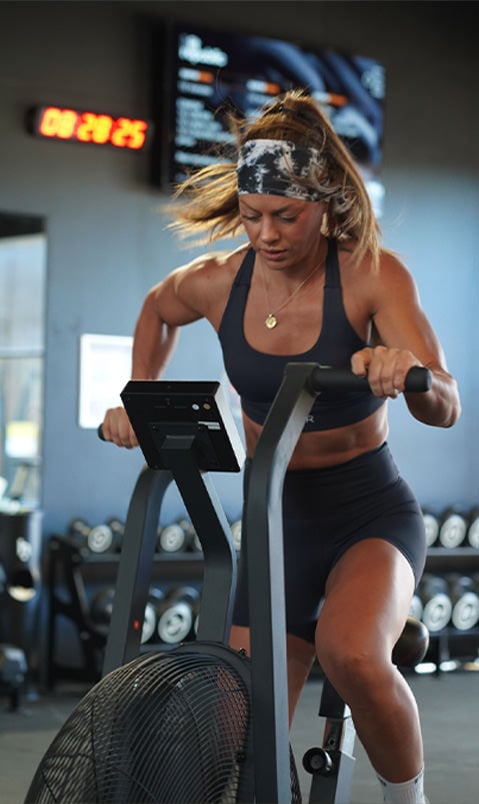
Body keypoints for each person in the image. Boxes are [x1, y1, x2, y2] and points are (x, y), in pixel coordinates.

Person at [101, 89, 461, 804]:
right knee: (230, 722)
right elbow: (156, 307)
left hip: (367, 511)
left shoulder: (369, 275)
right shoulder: (218, 283)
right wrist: (135, 395)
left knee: (351, 655)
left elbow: (444, 404)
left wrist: (404, 374)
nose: (265, 233)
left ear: (324, 204)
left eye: (286, 216)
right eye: (251, 214)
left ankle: (407, 799)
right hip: (275, 520)